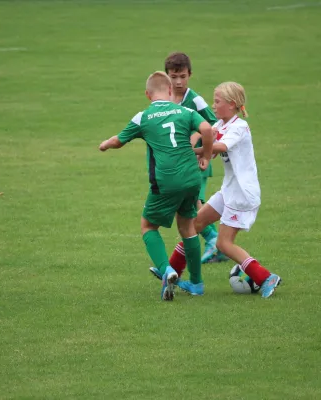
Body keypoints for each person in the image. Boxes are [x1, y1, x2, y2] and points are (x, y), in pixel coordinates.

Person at [98, 71, 213, 301]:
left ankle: (167, 269)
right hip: (191, 178)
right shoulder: (186, 111)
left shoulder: (144, 117)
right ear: (171, 90)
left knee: (148, 226)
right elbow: (208, 129)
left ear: (147, 94)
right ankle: (197, 284)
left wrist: (105, 145)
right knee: (188, 227)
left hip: (166, 181)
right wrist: (207, 157)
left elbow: (118, 141)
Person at [168, 82, 281, 298]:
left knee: (223, 243)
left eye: (217, 101)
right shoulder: (221, 124)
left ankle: (266, 277)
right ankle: (171, 271)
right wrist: (196, 151)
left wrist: (195, 150)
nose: (214, 105)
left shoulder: (239, 127)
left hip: (241, 195)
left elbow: (219, 147)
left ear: (231, 104)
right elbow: (208, 140)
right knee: (195, 224)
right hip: (228, 190)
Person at [163, 52, 227, 264]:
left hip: (198, 161)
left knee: (195, 201)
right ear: (167, 77)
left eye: (182, 76)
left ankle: (213, 240)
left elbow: (213, 123)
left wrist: (196, 136)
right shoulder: (166, 100)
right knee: (184, 202)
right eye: (174, 76)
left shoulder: (195, 99)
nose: (179, 81)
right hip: (177, 162)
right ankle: (215, 242)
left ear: (190, 74)